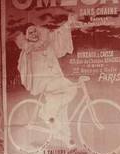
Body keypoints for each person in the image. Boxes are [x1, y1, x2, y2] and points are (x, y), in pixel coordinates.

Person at [15, 15, 79, 145]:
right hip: (43, 83)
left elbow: (57, 35)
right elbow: (23, 67)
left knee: (62, 110)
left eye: (35, 31)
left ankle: (67, 140)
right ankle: (45, 113)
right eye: (30, 32)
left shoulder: (46, 44)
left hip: (56, 79)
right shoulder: (28, 49)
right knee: (71, 88)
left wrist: (68, 24)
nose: (33, 34)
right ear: (26, 36)